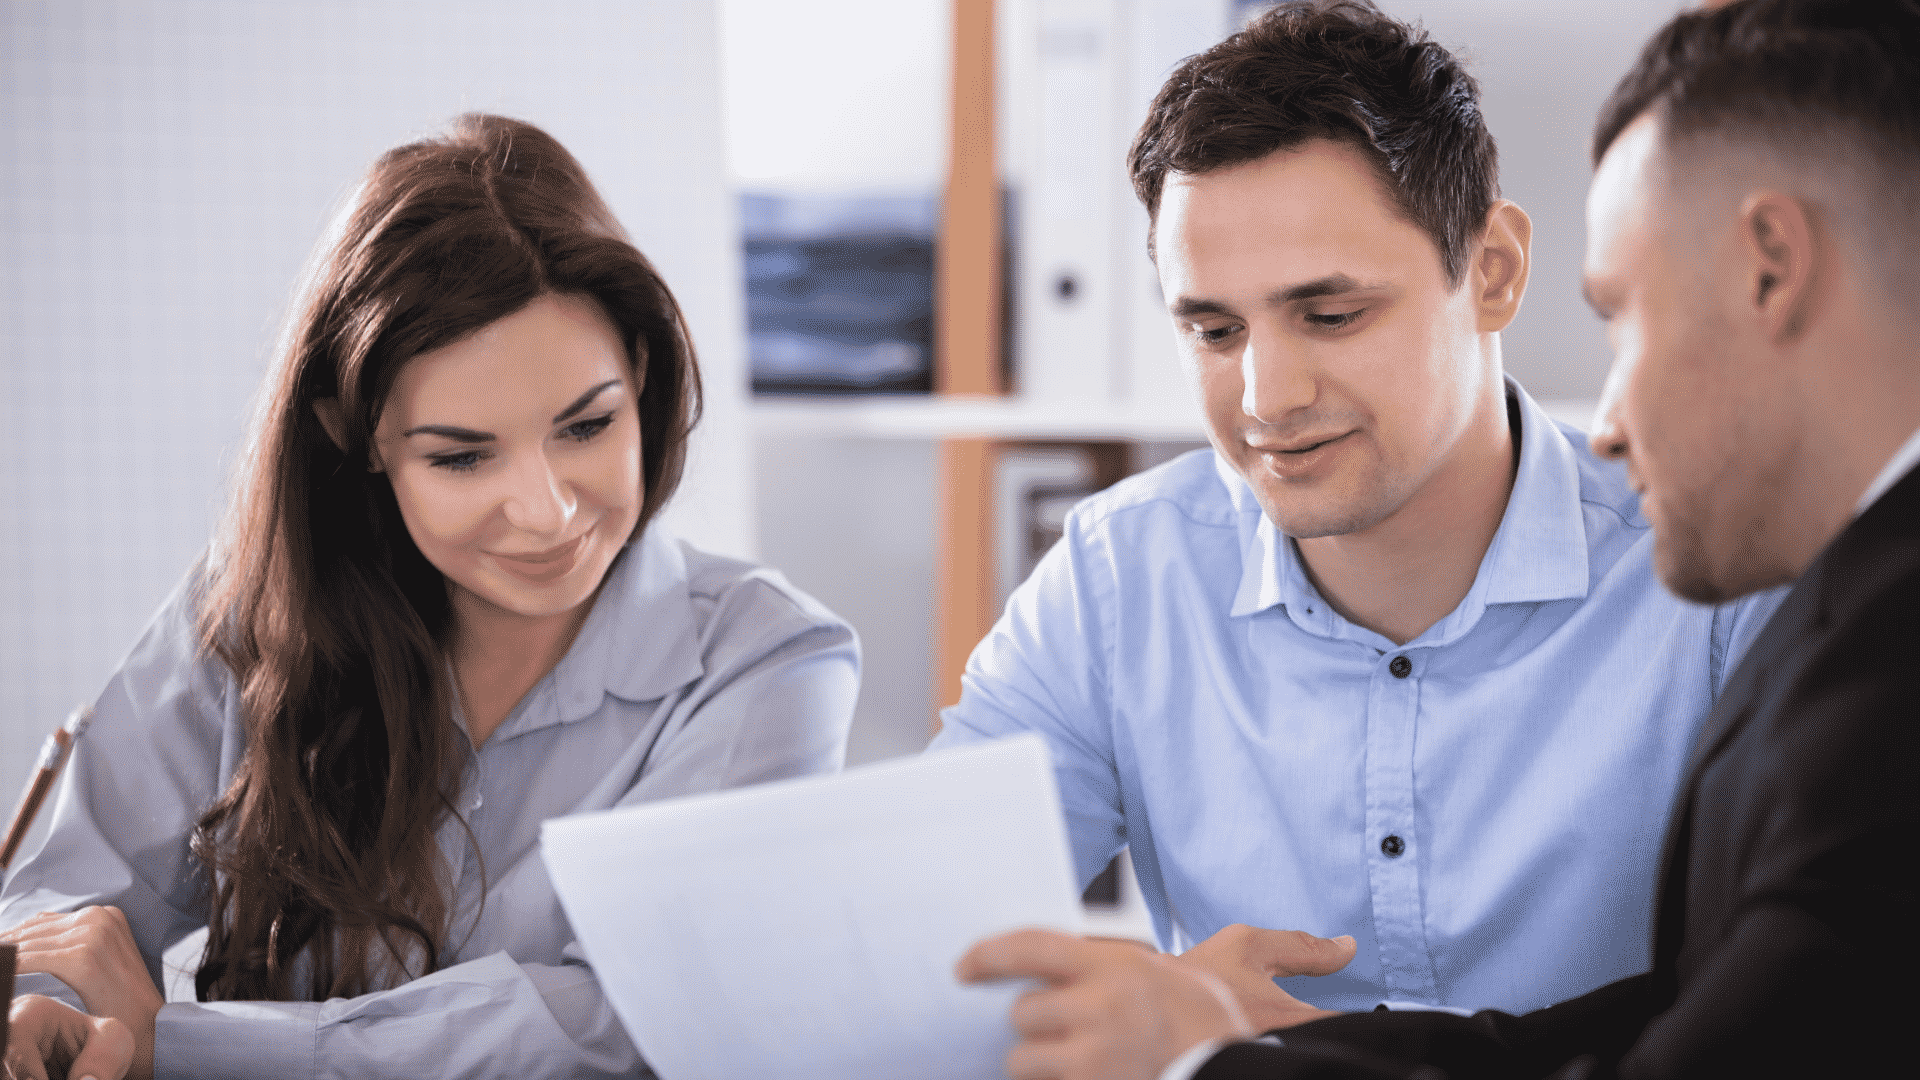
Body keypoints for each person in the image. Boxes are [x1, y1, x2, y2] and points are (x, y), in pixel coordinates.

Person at [959, 0, 1920, 1076]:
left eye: (1331, 316)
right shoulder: (1113, 578)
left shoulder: (1734, 550)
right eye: (1214, 330)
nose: (1267, 398)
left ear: (1496, 271)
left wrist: (1236, 1061)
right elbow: (925, 948)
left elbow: (1764, 1028)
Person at [0, 114, 859, 1080]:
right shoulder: (251, 609)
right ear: (356, 437)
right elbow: (64, 915)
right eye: (461, 456)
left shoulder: (769, 663)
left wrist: (191, 1046)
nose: (545, 512)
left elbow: (630, 1021)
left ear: (644, 375)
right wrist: (50, 1014)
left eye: (587, 426)